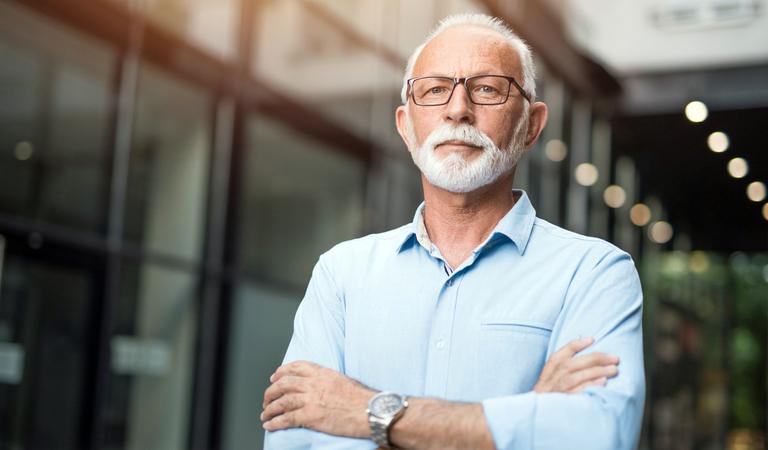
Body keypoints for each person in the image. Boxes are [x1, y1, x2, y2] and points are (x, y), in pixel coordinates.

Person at [261, 13, 645, 450]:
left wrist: (366, 411)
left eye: (486, 88)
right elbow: (293, 438)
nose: (458, 109)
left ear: (532, 125)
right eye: (435, 89)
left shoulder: (594, 273)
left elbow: (597, 435)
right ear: (406, 126)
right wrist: (527, 415)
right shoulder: (341, 275)